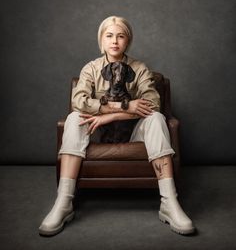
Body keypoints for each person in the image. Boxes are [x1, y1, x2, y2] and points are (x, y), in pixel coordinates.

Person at [39, 16, 195, 236]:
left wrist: (109, 117)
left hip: (133, 134)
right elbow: (79, 101)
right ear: (101, 40)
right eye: (109, 35)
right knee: (74, 118)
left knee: (157, 118)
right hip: (95, 134)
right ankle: (64, 202)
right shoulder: (91, 69)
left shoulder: (139, 68)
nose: (115, 41)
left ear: (127, 41)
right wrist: (124, 106)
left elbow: (153, 104)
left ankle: (169, 202)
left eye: (121, 36)